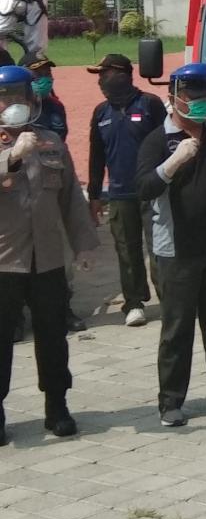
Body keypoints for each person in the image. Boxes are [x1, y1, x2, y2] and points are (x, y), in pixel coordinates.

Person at [135, 63, 206, 427]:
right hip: (177, 251)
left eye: (204, 97)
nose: (200, 104)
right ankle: (171, 402)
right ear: (173, 99)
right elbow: (143, 188)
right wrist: (174, 161)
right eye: (192, 97)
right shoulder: (158, 140)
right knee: (177, 328)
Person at [0, 66, 98, 444]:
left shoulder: (51, 142)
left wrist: (85, 244)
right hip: (5, 261)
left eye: (19, 96)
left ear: (31, 100)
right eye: (5, 97)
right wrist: (11, 157)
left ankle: (57, 407)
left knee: (53, 337)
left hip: (48, 260)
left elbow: (71, 197)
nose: (12, 104)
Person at [87, 54, 167, 327]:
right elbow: (96, 156)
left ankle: (169, 300)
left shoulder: (150, 105)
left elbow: (168, 146)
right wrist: (95, 195)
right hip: (120, 194)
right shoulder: (101, 113)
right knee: (126, 250)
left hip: (152, 191)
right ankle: (134, 303)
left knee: (159, 248)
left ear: (121, 74)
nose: (100, 81)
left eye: (104, 74)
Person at [23, 52, 85, 334]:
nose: (44, 80)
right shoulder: (11, 107)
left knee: (60, 257)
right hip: (17, 191)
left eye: (47, 74)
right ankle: (16, 317)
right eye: (38, 75)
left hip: (51, 181)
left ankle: (64, 308)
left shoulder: (54, 106)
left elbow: (61, 141)